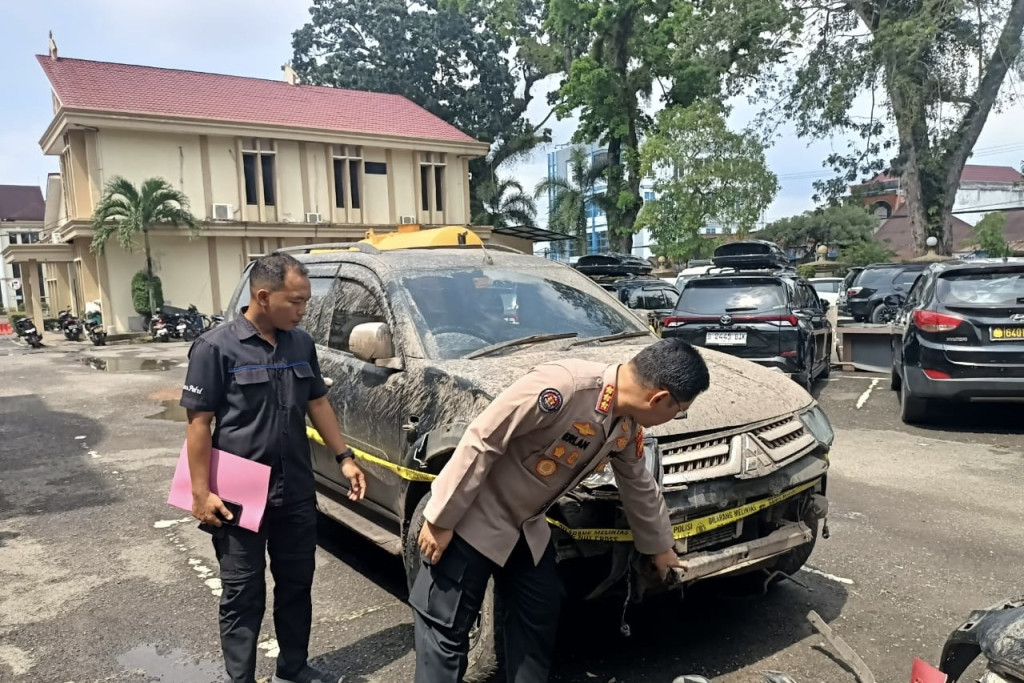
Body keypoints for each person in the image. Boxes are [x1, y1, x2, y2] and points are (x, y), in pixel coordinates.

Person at [411, 337, 711, 682]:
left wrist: (662, 549)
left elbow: (639, 484)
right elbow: (483, 438)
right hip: (470, 518)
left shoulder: (625, 424)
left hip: (527, 527)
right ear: (659, 398)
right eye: (680, 409)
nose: (677, 417)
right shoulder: (564, 387)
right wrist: (440, 519)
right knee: (445, 633)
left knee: (537, 617)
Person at [180, 253, 366, 683]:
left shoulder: (301, 344)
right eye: (297, 301)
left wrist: (345, 457)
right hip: (238, 491)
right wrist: (200, 492)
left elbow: (317, 401)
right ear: (263, 297)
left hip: (296, 487)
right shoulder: (216, 347)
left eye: (306, 302)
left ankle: (293, 666)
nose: (304, 310)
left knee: (297, 584)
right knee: (243, 592)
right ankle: (240, 678)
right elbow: (199, 424)